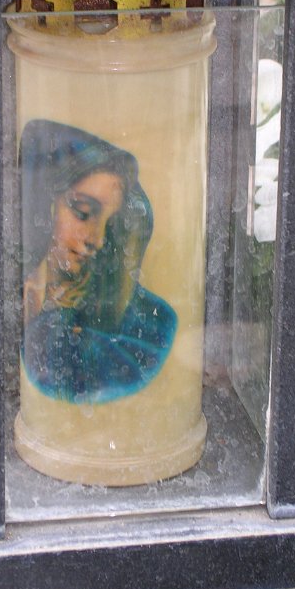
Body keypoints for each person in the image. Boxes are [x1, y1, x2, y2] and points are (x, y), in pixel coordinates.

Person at [21, 119, 177, 405]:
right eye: (82, 212)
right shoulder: (17, 296)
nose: (98, 239)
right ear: (44, 207)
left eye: (110, 223)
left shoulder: (147, 326)